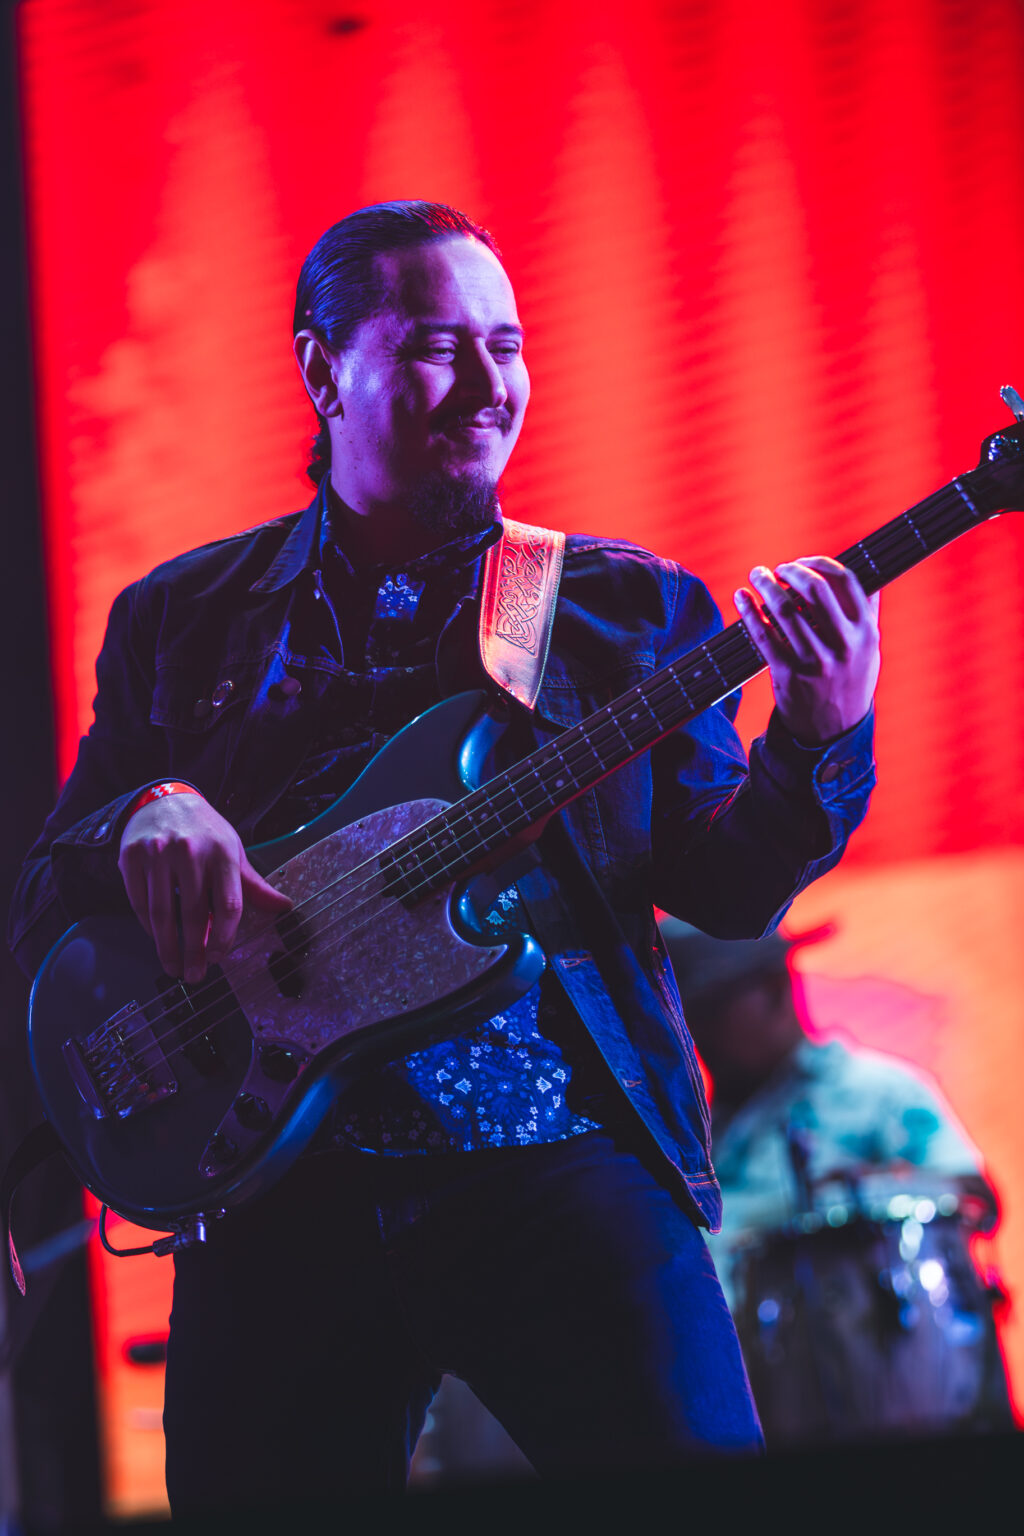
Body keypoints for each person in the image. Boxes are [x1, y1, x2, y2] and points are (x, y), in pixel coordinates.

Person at [9, 201, 881, 1514]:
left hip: (557, 1164)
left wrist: (819, 734)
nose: (487, 385)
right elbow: (48, 890)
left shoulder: (620, 607)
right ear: (322, 373)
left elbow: (726, 886)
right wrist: (147, 812)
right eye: (435, 346)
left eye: (506, 345)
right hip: (280, 1186)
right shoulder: (183, 620)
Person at [658, 919, 1013, 1442]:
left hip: (869, 1388)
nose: (694, 1031)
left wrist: (865, 1191)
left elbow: (975, 1197)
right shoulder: (694, 1135)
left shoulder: (876, 1090)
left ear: (774, 990)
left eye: (709, 1009)